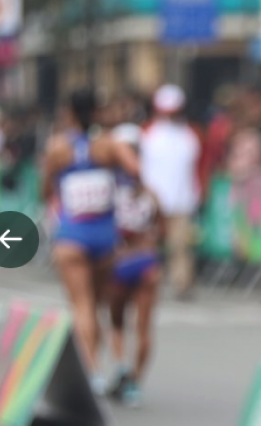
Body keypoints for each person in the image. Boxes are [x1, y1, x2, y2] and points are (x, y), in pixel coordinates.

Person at [41, 89, 139, 394]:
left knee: (82, 305)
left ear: (69, 113)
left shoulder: (58, 147)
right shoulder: (109, 145)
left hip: (72, 234)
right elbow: (135, 171)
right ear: (97, 112)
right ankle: (102, 366)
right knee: (96, 304)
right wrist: (126, 190)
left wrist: (59, 199)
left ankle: (93, 370)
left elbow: (45, 188)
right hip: (104, 235)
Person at [108, 123, 162, 407]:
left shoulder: (109, 189)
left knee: (117, 320)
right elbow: (159, 229)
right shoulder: (150, 192)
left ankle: (120, 367)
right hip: (147, 262)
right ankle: (134, 383)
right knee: (143, 327)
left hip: (119, 261)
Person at [140, 84, 202, 300]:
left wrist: (199, 191)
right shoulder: (147, 132)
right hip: (152, 199)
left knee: (180, 246)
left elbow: (200, 165)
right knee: (149, 244)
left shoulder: (191, 134)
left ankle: (182, 283)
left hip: (182, 199)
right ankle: (147, 280)